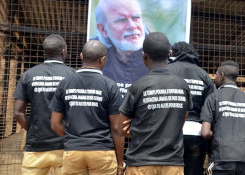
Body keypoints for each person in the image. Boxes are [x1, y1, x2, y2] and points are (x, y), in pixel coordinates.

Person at [119, 32, 192, 175]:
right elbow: (181, 121)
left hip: (140, 164)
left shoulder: (137, 87)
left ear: (144, 56)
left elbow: (121, 129)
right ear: (169, 53)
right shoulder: (182, 86)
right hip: (173, 164)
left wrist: (137, 126)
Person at [49, 40, 124, 175]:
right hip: (101, 152)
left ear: (81, 56)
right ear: (103, 59)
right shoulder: (110, 86)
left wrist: (74, 139)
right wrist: (120, 164)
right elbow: (117, 129)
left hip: (73, 152)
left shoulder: (65, 83)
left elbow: (55, 124)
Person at [13, 34, 75, 175]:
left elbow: (17, 112)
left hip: (35, 146)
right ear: (63, 51)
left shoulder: (29, 75)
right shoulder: (72, 76)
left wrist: (33, 129)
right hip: (65, 145)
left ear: (44, 53)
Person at [201, 61, 245, 175]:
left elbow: (205, 132)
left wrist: (219, 134)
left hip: (222, 159)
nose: (215, 78)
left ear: (222, 75)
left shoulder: (213, 98)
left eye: (216, 74)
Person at [167, 42, 215, 175]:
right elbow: (211, 107)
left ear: (173, 54)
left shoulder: (167, 71)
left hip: (169, 132)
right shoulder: (204, 75)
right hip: (197, 133)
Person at [95, 0, 148, 97]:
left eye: (136, 17)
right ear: (103, 29)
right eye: (122, 20)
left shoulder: (161, 53)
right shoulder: (96, 56)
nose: (132, 26)